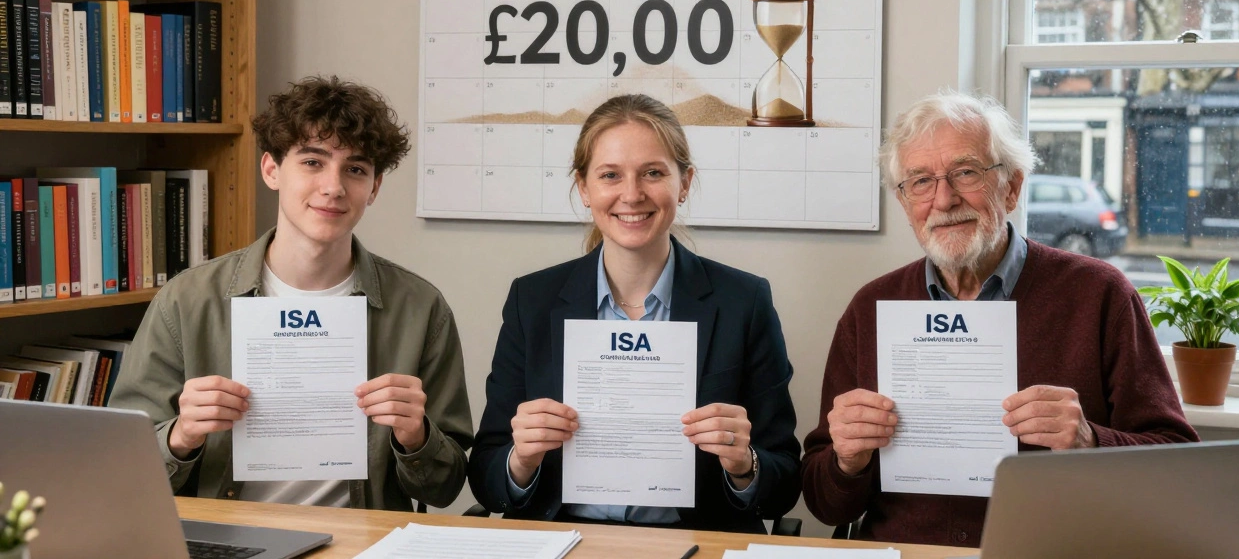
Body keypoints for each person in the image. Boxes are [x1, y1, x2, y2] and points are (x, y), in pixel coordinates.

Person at [801, 90, 1197, 548]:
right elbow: (824, 504)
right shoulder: (870, 308)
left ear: (1011, 188)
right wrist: (847, 462)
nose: (944, 200)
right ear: (905, 200)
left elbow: (1178, 466)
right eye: (921, 182)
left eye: (965, 173)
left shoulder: (1099, 294)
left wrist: (1091, 442)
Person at [110, 76, 473, 511]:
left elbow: (445, 487)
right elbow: (121, 473)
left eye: (355, 169)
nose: (333, 187)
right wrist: (181, 436)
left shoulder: (421, 309)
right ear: (271, 170)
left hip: (360, 544)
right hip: (229, 541)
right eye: (313, 162)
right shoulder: (187, 301)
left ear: (374, 188)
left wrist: (416, 437)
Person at [467, 94, 801, 532]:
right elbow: (485, 476)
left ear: (684, 183)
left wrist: (745, 464)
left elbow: (785, 482)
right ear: (584, 188)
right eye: (610, 175)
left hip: (695, 544)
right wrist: (520, 459)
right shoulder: (532, 300)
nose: (632, 194)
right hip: (564, 540)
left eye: (653, 173)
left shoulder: (744, 301)